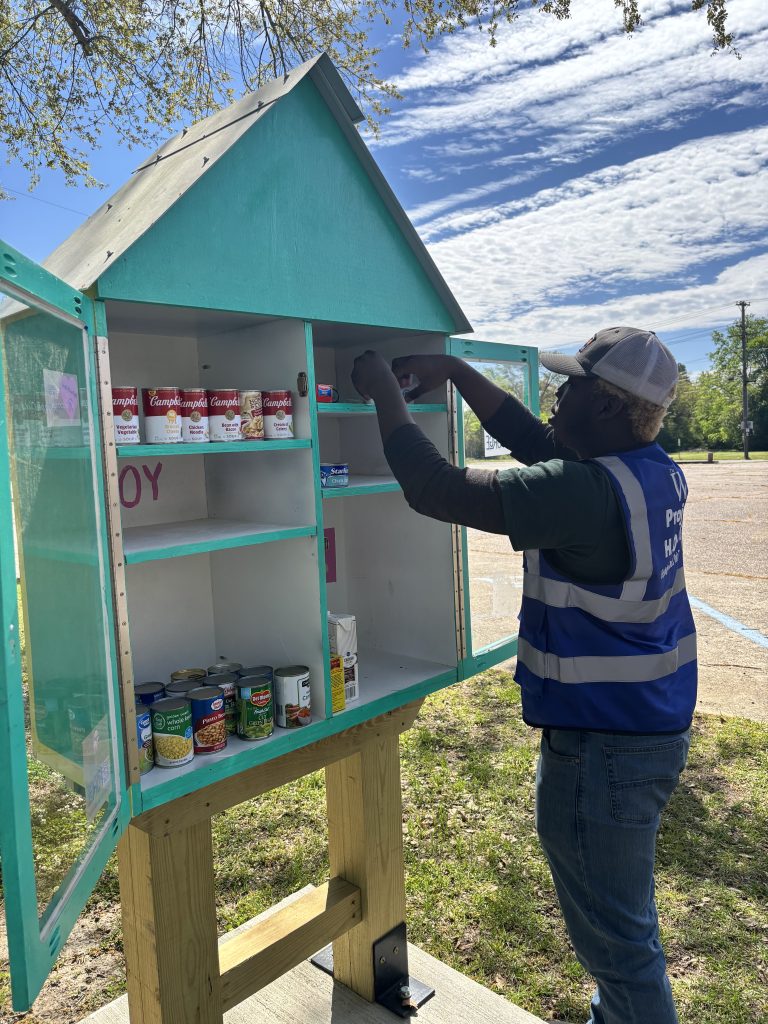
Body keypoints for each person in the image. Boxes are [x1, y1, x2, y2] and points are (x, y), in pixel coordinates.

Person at [351, 326, 696, 1024]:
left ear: (604, 407)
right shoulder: (647, 468)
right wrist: (452, 370)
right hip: (643, 732)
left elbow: (436, 488)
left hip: (603, 750)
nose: (554, 397)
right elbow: (534, 441)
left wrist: (384, 393)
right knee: (621, 934)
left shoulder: (585, 492)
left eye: (568, 386)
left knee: (623, 951)